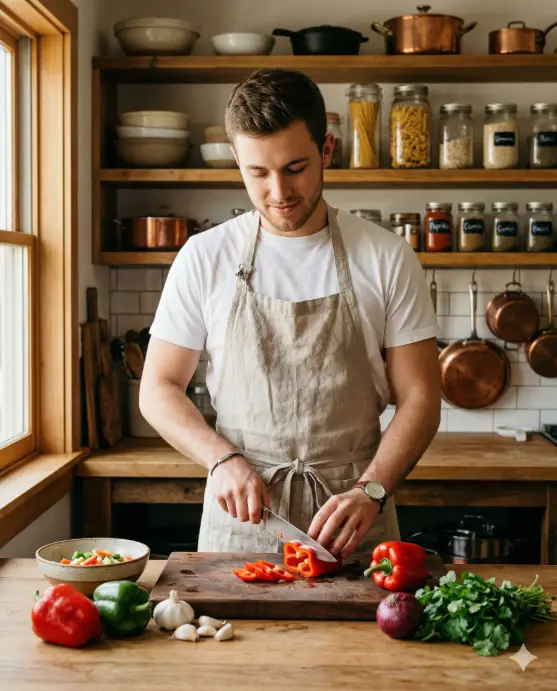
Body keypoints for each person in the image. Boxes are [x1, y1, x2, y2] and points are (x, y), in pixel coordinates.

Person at [140, 68, 441, 560]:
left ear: (327, 151)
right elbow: (157, 389)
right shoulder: (204, 256)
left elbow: (421, 398)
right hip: (242, 518)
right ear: (237, 160)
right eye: (257, 173)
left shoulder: (386, 256)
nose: (278, 191)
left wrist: (374, 490)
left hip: (354, 517)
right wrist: (220, 461)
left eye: (295, 167)